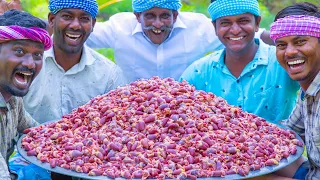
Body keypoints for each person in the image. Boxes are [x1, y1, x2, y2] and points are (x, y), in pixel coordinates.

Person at [180, 1, 306, 179]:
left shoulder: (281, 60)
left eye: (243, 21)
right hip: (218, 163)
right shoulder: (198, 73)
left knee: (306, 174)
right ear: (214, 27)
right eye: (225, 23)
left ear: (257, 23)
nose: (235, 30)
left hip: (279, 153)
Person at [85, 0, 273, 81]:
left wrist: (291, 38)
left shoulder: (198, 26)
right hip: (130, 108)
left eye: (165, 16)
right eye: (150, 16)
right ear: (137, 16)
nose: (157, 24)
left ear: (175, 15)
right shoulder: (119, 27)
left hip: (184, 111)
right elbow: (82, 36)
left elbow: (254, 34)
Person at [22, 0, 128, 123]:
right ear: (51, 20)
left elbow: (118, 124)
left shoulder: (109, 76)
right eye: (67, 17)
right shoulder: (26, 66)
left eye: (84, 18)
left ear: (93, 24)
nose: (75, 25)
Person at [0, 9, 52, 180]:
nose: (30, 64)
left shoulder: (12, 99)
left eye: (37, 55)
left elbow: (38, 132)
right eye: (19, 52)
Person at [270, 2, 320, 179]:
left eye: (300, 42)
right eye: (282, 45)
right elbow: (288, 134)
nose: (289, 52)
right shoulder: (309, 88)